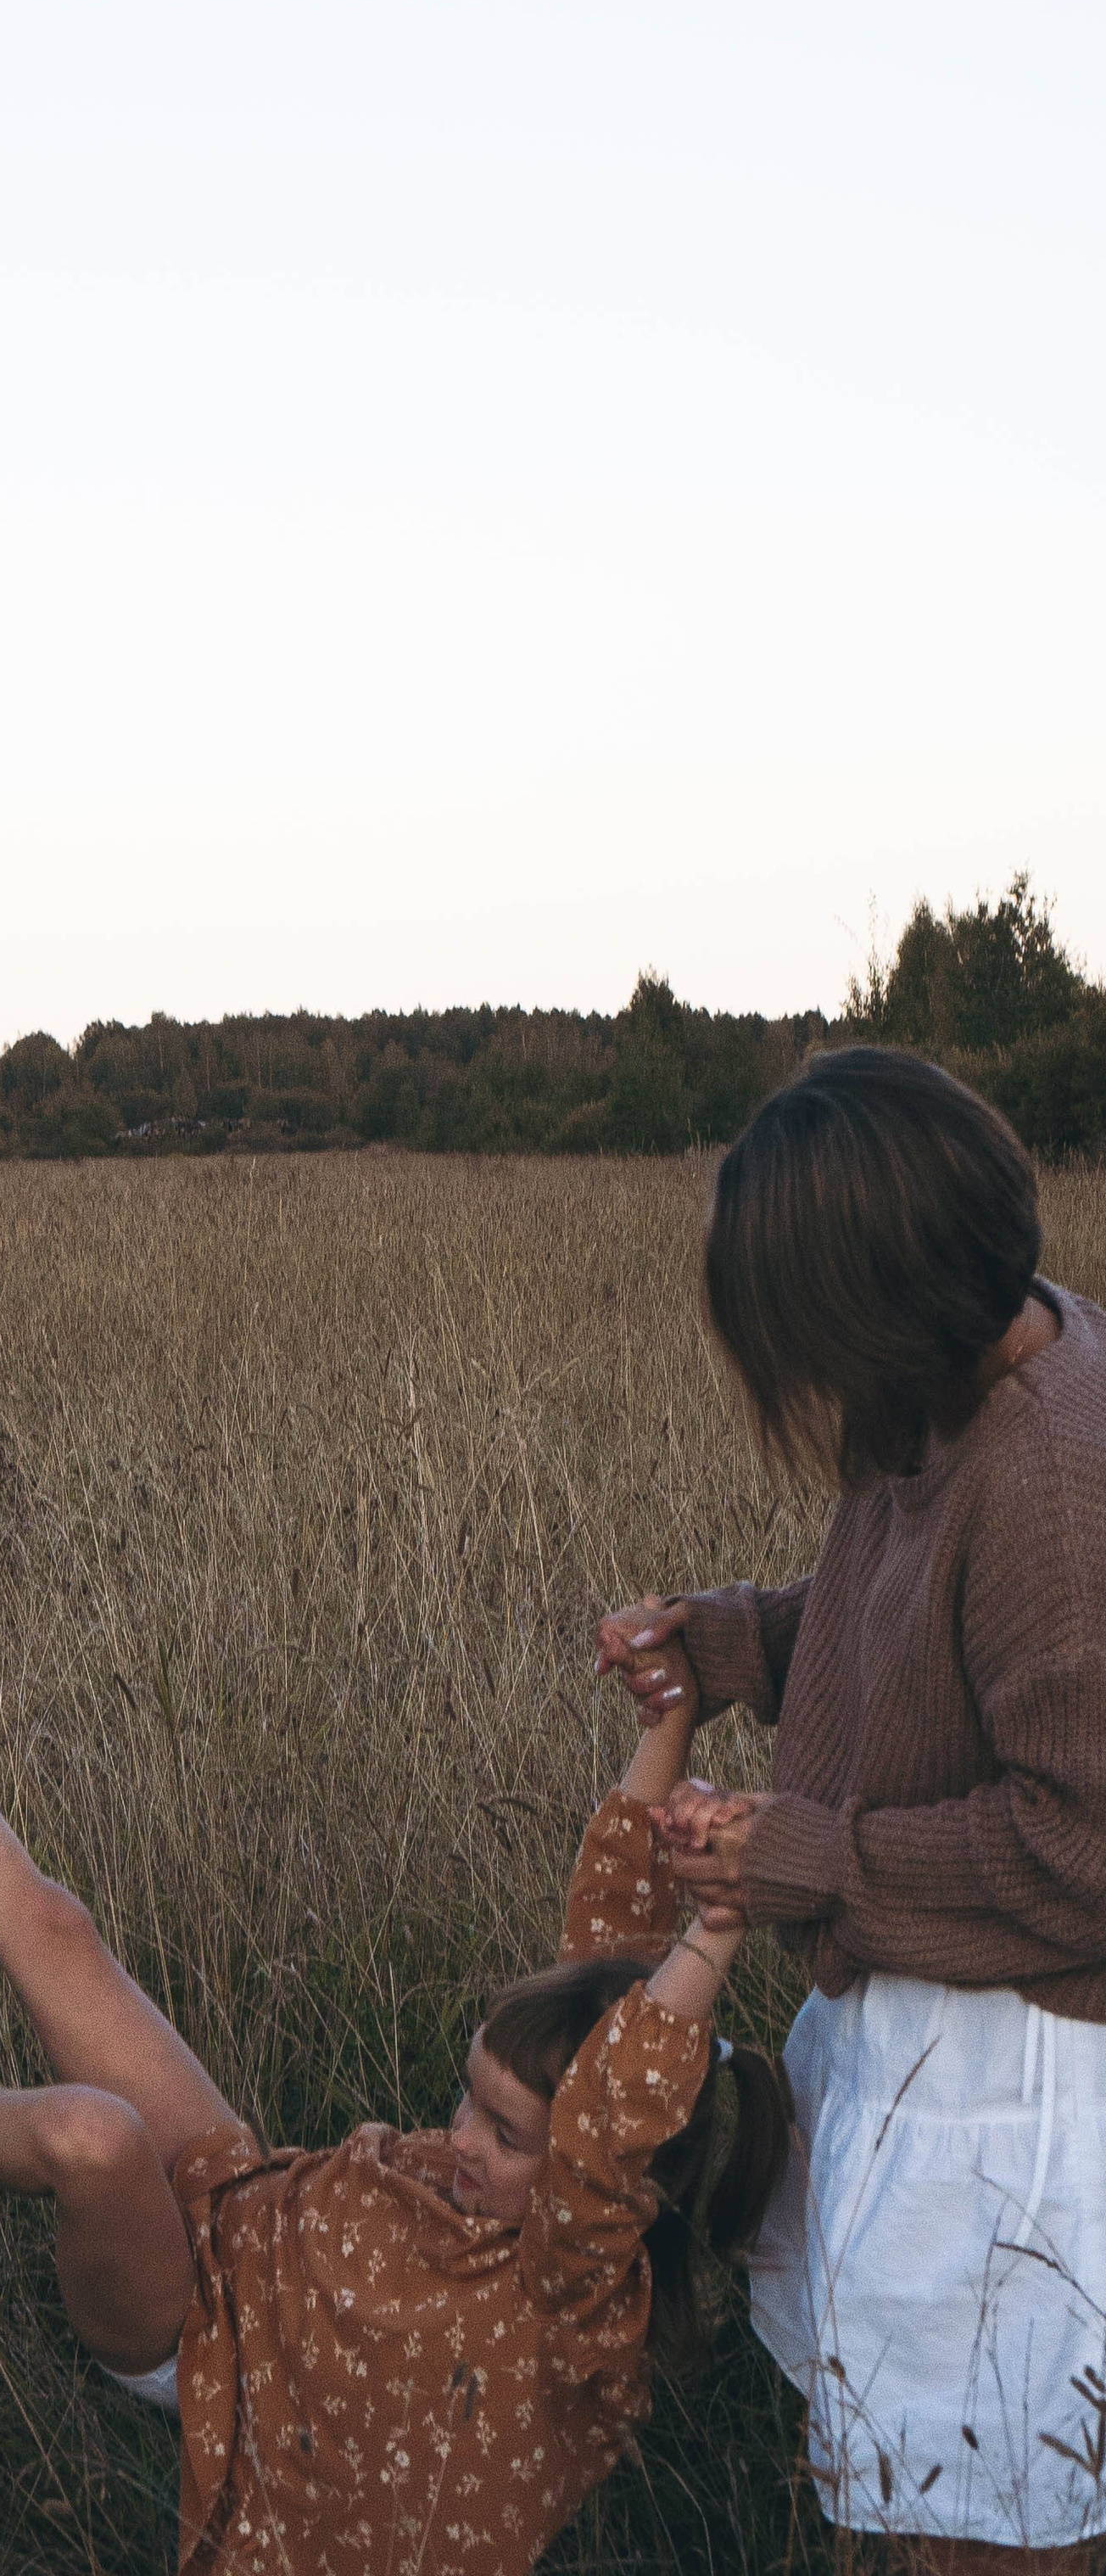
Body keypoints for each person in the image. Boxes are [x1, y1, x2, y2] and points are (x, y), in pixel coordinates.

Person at [0, 1635, 785, 2575]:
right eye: (467, 2099)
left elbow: (621, 2104)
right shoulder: (561, 2110)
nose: (456, 2138)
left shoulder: (577, 2290)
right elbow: (611, 1935)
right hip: (238, 2207)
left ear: (613, 2179)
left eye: (501, 2136)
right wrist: (671, 1710)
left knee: (90, 2137)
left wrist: (721, 1928)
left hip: (199, 2343)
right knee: (58, 1928)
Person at [597, 1046, 1106, 2573]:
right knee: (911, 2495)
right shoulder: (969, 1372)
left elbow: (1087, 1850)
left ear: (882, 1304)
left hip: (1023, 2090)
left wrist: (802, 1856)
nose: (807, 1381)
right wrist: (742, 1634)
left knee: (981, 2530)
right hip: (945, 2035)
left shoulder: (1055, 1481)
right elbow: (927, 1623)